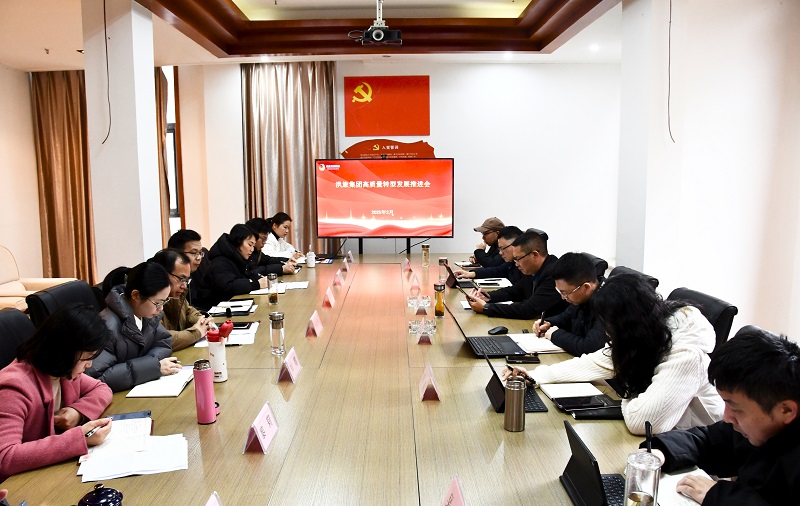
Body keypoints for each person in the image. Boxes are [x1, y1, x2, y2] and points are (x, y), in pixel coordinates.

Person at [503, 273, 723, 435]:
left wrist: (629, 390)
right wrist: (537, 375)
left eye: (609, 326)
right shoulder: (651, 329)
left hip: (700, 456)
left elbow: (642, 423)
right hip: (667, 439)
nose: (607, 333)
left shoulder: (688, 355)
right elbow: (598, 361)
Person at [642, 327, 800, 505]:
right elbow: (709, 440)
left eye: (735, 407)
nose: (726, 417)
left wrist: (718, 496)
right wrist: (661, 452)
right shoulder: (756, 425)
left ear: (786, 411)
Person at [0, 304, 114, 481]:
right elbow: (5, 458)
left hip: (49, 471)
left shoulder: (62, 371)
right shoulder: (13, 387)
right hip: (20, 483)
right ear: (63, 351)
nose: (89, 365)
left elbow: (102, 389)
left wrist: (78, 412)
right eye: (86, 358)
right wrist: (78, 439)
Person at [86, 262, 182, 392]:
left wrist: (151, 367)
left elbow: (163, 343)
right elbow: (97, 378)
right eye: (157, 303)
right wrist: (152, 367)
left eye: (164, 302)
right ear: (136, 295)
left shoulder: (147, 315)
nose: (161, 309)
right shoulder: (106, 326)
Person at [467, 229, 567, 320]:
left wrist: (486, 308)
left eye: (518, 259)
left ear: (535, 255)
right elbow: (514, 291)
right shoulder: (532, 270)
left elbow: (528, 309)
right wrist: (488, 296)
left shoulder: (554, 275)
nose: (516, 264)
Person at [535, 252, 607, 356]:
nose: (563, 297)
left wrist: (555, 334)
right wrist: (548, 323)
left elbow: (589, 348)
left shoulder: (608, 303)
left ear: (586, 287)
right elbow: (566, 317)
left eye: (565, 293)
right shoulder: (582, 297)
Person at [149, 249, 213, 351]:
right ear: (162, 274)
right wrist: (197, 332)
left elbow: (188, 312)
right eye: (181, 279)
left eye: (187, 280)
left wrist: (202, 321)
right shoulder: (149, 300)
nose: (184, 286)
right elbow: (161, 338)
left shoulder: (177, 295)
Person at [203, 223, 270, 306]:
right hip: (215, 308)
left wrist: (257, 279)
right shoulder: (220, 262)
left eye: (253, 246)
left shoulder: (239, 258)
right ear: (238, 241)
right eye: (250, 244)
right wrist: (256, 284)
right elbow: (228, 286)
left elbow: (249, 274)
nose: (252, 249)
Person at [454, 226, 524, 284]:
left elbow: (491, 264)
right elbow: (498, 271)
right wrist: (470, 274)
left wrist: (479, 251)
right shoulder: (512, 263)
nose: (500, 253)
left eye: (503, 248)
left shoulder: (526, 268)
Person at [167, 229, 210, 307]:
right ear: (176, 253)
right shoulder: (166, 279)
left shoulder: (200, 269)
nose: (199, 258)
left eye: (200, 253)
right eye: (194, 253)